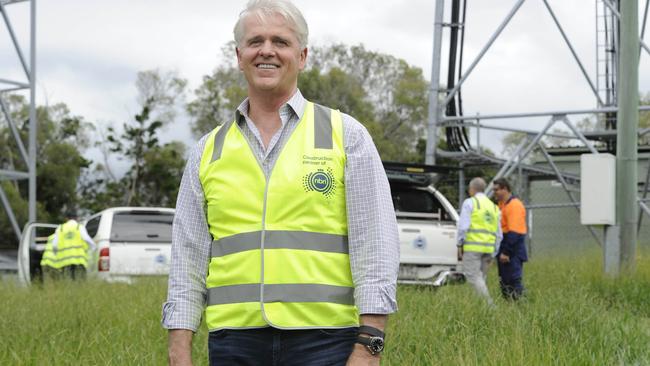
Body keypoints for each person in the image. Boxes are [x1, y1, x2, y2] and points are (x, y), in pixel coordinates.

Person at [162, 1, 400, 365]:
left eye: (281, 42)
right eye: (256, 41)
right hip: (233, 344)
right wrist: (179, 353)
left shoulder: (346, 136)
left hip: (325, 344)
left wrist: (369, 346)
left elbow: (376, 244)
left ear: (302, 56)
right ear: (239, 56)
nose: (267, 50)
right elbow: (187, 261)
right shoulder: (207, 151)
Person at [456, 177, 502, 305]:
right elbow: (499, 234)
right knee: (481, 279)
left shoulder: (470, 203)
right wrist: (495, 251)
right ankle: (480, 308)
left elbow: (463, 227)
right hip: (488, 249)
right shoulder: (494, 207)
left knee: (473, 277)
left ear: (472, 189)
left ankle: (490, 307)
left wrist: (459, 244)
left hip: (473, 248)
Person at [493, 178, 528, 300]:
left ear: (505, 189)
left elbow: (515, 232)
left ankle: (521, 307)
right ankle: (509, 309)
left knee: (514, 281)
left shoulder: (514, 205)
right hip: (504, 245)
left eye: (497, 190)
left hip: (513, 249)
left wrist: (506, 252)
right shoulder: (502, 205)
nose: (495, 192)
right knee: (504, 282)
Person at [41, 213, 97, 281]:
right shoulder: (79, 227)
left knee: (68, 282)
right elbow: (86, 239)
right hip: (79, 260)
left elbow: (54, 245)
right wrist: (94, 247)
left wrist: (57, 256)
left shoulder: (61, 228)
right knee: (81, 281)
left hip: (65, 262)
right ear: (76, 218)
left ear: (66, 219)